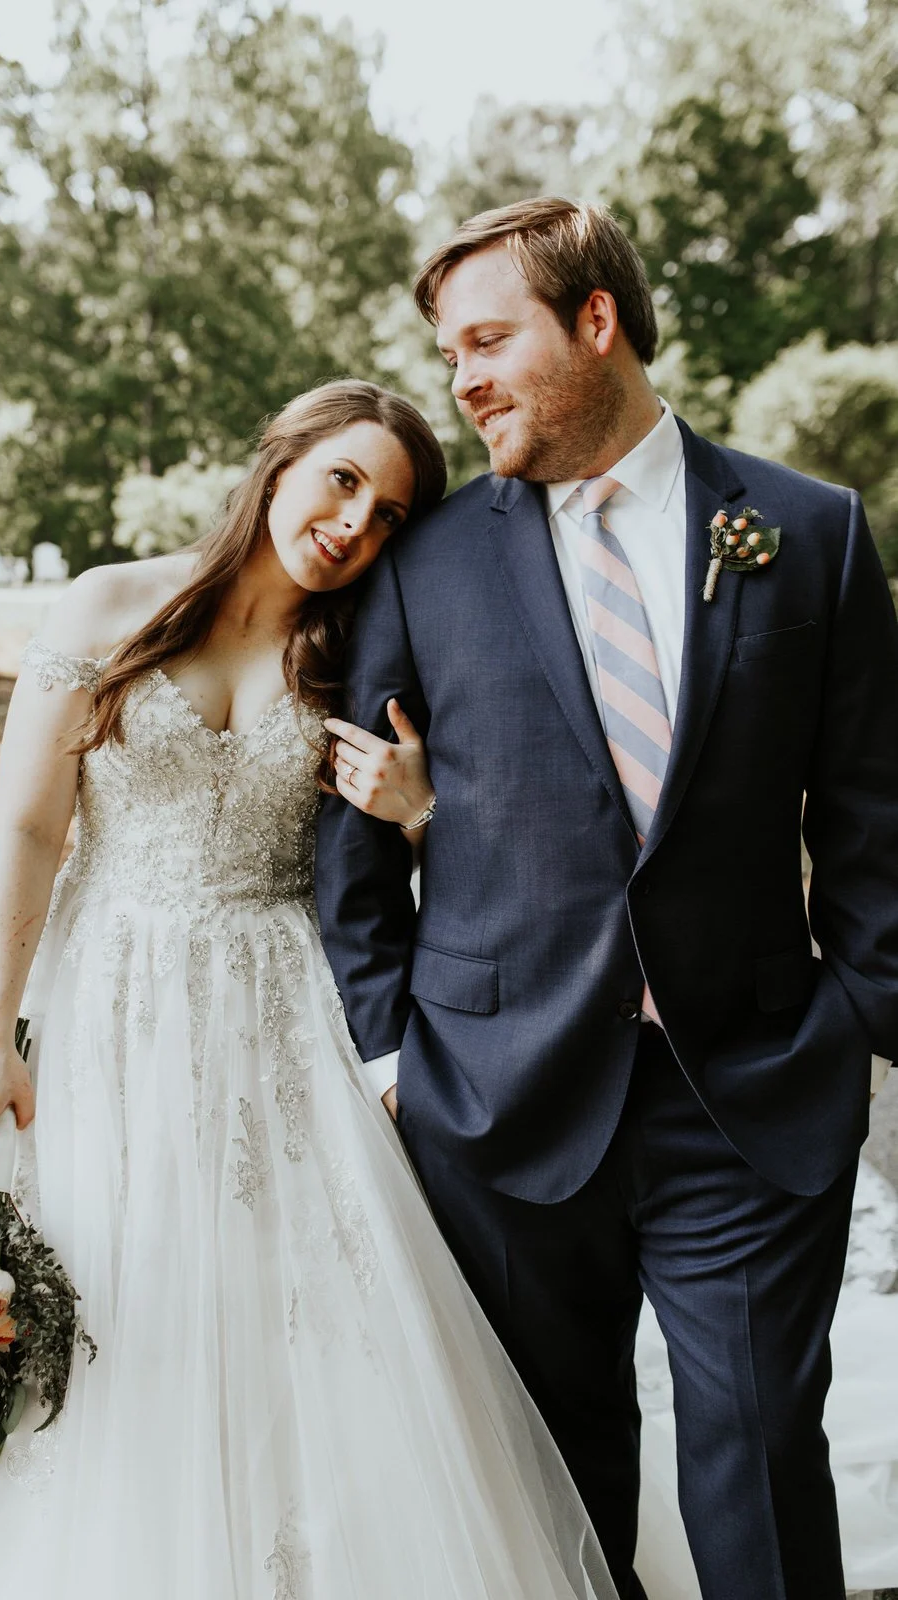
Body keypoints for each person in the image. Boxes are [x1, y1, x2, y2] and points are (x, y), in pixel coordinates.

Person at [0, 381, 619, 1600]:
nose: (353, 524)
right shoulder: (107, 604)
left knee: (293, 1308)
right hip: (103, 998)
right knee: (104, 1287)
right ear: (281, 458)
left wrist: (420, 812)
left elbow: (452, 849)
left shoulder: (358, 652)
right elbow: (27, 834)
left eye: (389, 514)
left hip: (281, 1008)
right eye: (342, 479)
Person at [315, 199, 898, 1600]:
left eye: (485, 341)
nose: (460, 381)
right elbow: (348, 836)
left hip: (747, 1090)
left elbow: (872, 809)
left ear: (593, 321)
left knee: (760, 1455)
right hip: (491, 1099)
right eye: (447, 354)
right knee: (548, 1486)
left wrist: (858, 1015)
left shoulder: (806, 532)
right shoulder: (422, 560)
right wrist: (393, 1056)